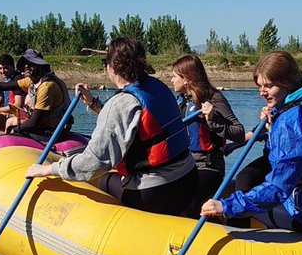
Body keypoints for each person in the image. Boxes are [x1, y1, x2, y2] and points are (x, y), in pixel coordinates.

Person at [25, 38, 197, 217]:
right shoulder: (157, 86)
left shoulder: (121, 103)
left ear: (112, 67)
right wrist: (93, 103)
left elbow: (93, 163)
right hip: (189, 180)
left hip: (157, 191)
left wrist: (49, 169)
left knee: (101, 179)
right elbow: (131, 123)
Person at [199, 51, 302, 233]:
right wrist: (273, 124)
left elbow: (279, 185)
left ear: (287, 82)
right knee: (245, 182)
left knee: (235, 199)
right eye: (260, 87)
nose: (262, 93)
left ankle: (243, 242)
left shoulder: (292, 119)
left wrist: (227, 207)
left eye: (268, 86)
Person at [170, 54, 245, 214]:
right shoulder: (182, 101)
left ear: (186, 79)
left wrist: (212, 118)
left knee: (186, 203)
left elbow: (239, 133)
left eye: (174, 76)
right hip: (185, 166)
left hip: (208, 167)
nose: (171, 80)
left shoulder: (213, 98)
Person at [0, 49, 72, 140]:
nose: (27, 67)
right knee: (8, 128)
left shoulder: (47, 87)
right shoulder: (31, 81)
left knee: (10, 132)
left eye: (31, 64)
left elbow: (34, 122)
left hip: (50, 132)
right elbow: (1, 86)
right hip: (41, 127)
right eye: (26, 64)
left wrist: (14, 130)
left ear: (40, 67)